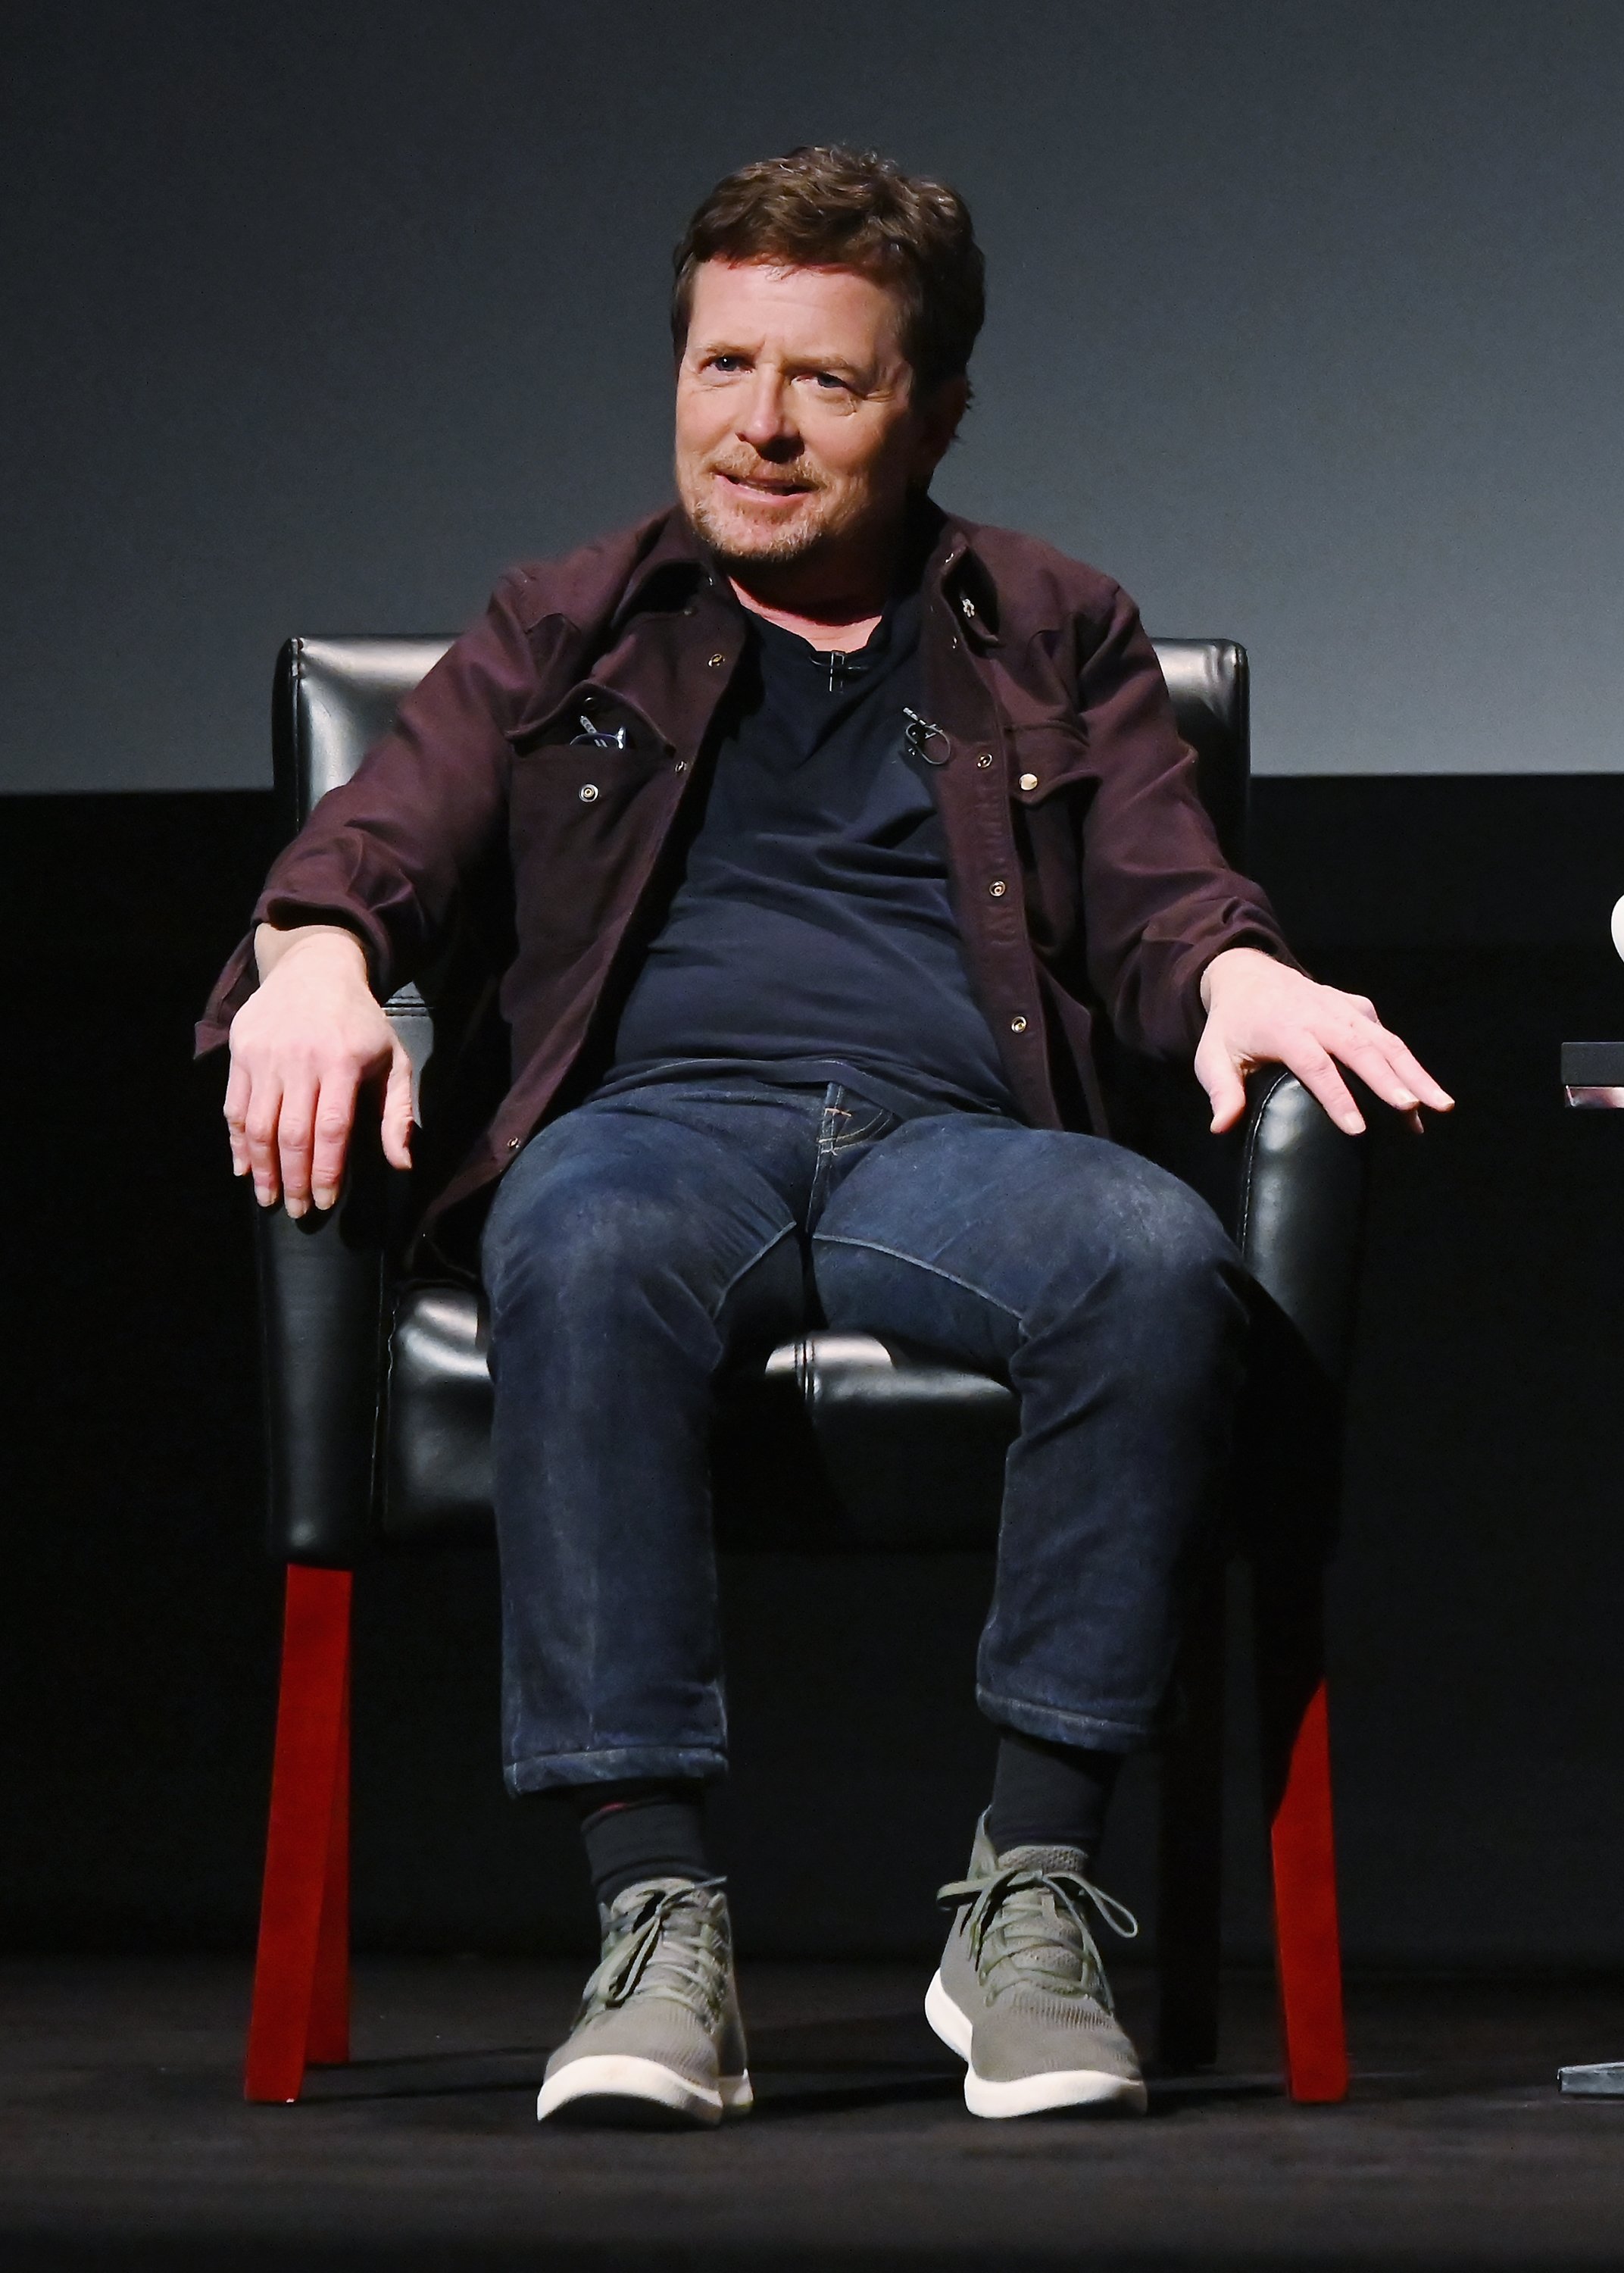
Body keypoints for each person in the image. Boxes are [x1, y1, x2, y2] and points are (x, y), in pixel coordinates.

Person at [200, 146, 1451, 2127]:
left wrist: (1237, 984)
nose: (759, 429)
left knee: (1150, 1257)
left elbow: (1157, 885)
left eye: (827, 384)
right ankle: (653, 1923)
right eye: (721, 369)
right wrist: (311, 951)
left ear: (935, 410)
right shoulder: (567, 619)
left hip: (956, 1145)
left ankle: (1031, 1894)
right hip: (658, 1136)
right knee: (574, 1236)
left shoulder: (1053, 624)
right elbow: (378, 839)